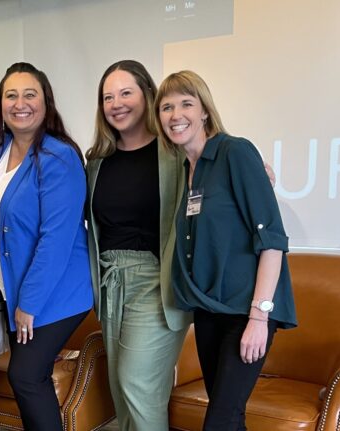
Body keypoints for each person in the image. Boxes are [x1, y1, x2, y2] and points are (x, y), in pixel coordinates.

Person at [153, 70, 297, 430]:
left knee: (216, 421)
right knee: (229, 414)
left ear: (204, 111)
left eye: (186, 103)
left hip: (246, 311)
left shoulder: (235, 152)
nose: (176, 114)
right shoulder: (187, 170)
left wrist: (259, 318)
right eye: (167, 107)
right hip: (209, 310)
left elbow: (273, 241)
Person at [0, 62, 94, 431]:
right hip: (14, 290)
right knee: (28, 380)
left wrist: (29, 304)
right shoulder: (1, 148)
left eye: (30, 95)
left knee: (26, 377)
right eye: (11, 95)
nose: (20, 103)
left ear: (46, 103)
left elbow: (55, 240)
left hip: (53, 294)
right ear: (0, 104)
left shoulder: (59, 156)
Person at [84, 60, 190, 430]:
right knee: (122, 391)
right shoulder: (96, 162)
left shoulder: (175, 154)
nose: (117, 103)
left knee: (137, 383)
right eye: (108, 97)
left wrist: (256, 165)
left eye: (126, 93)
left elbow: (219, 157)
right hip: (111, 283)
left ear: (148, 94)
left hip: (156, 282)